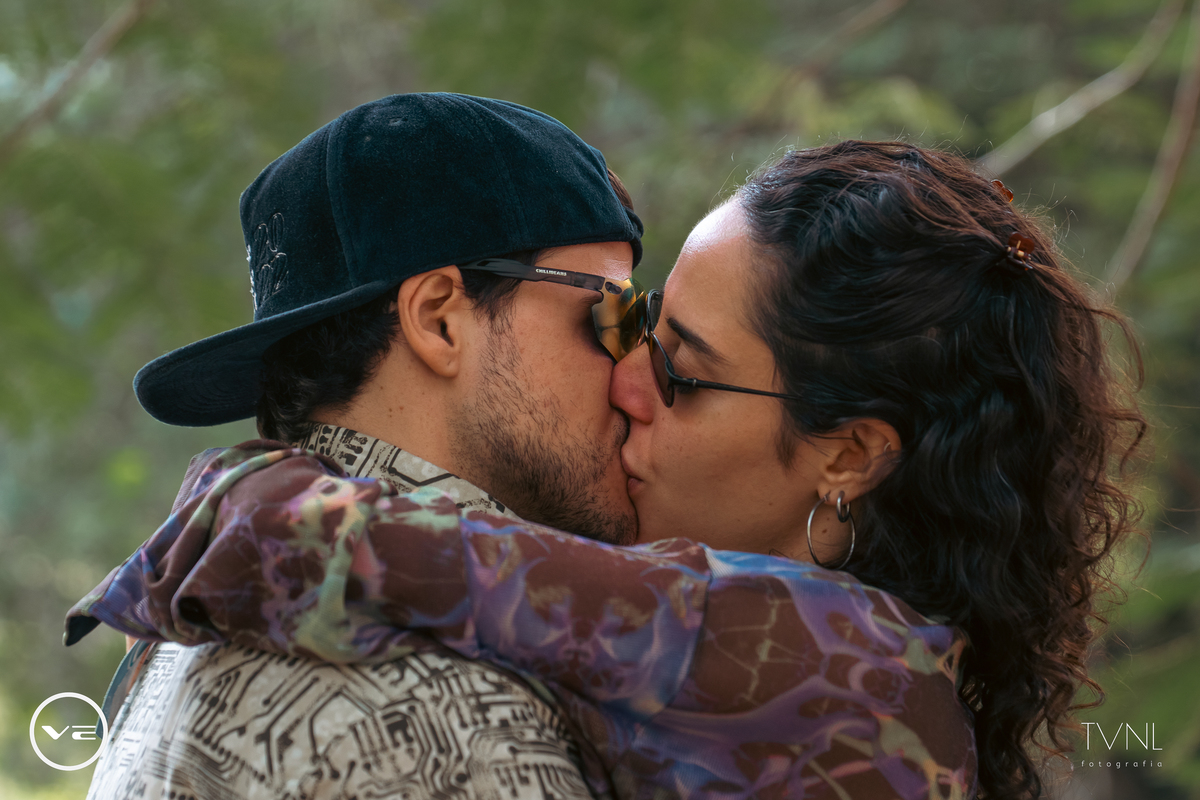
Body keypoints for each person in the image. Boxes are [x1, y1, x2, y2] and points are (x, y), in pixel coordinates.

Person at [69, 141, 1147, 800]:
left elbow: (425, 562)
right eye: (624, 325)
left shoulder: (836, 661)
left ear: (849, 454)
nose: (629, 380)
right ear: (433, 319)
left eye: (678, 368)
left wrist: (242, 501)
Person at [65, 92, 649, 800]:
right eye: (615, 312)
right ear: (438, 320)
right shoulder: (447, 707)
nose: (639, 371)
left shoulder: (194, 620)